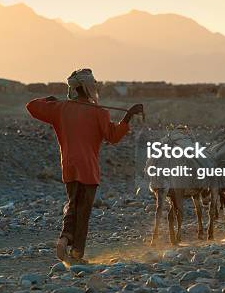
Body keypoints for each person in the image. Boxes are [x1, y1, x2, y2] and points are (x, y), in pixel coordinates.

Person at [26, 68, 143, 263]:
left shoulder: (60, 108)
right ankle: (76, 253)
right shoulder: (99, 112)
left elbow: (31, 106)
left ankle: (65, 237)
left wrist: (49, 99)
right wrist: (128, 116)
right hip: (88, 168)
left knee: (73, 203)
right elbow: (113, 136)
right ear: (90, 88)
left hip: (69, 166)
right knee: (83, 210)